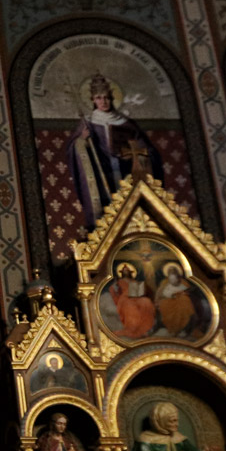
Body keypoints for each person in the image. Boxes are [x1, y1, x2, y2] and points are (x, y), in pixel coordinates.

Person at [67, 74, 161, 231]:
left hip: (126, 170)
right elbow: (73, 147)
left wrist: (136, 152)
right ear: (93, 100)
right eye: (99, 98)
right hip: (102, 172)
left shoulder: (126, 123)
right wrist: (82, 141)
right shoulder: (89, 122)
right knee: (107, 204)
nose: (103, 101)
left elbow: (146, 149)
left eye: (107, 98)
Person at [105, 260, 157, 339]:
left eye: (127, 271)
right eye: (125, 271)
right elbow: (115, 292)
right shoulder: (119, 282)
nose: (126, 272)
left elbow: (140, 290)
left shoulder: (134, 281)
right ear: (122, 273)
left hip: (137, 297)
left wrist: (143, 290)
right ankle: (132, 329)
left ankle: (144, 329)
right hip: (125, 299)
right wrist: (114, 288)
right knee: (130, 307)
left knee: (147, 302)